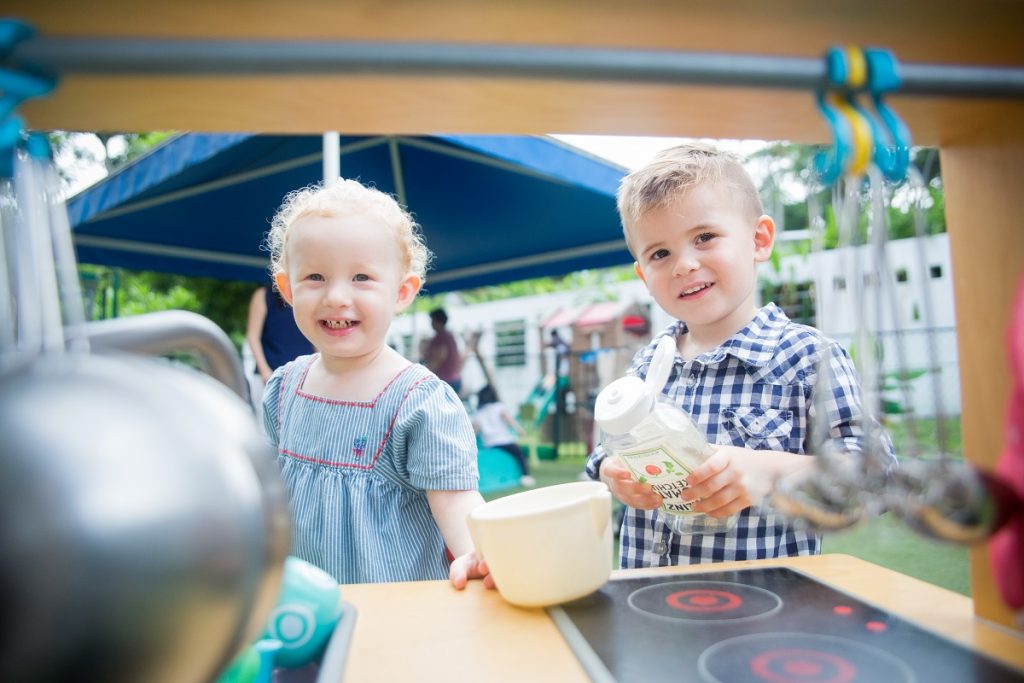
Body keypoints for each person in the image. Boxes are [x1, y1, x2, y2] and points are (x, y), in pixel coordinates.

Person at [585, 142, 894, 568]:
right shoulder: (648, 366)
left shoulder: (806, 357)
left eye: (704, 237)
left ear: (759, 239)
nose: (684, 265)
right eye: (660, 253)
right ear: (643, 273)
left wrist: (770, 471)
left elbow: (875, 475)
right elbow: (603, 454)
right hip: (647, 602)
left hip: (765, 609)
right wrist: (612, 473)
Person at [261, 178, 492, 591]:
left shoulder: (418, 402)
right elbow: (268, 489)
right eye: (315, 276)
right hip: (302, 612)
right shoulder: (283, 390)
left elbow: (455, 497)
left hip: (396, 614)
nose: (336, 296)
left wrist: (479, 550)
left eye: (361, 277)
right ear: (286, 289)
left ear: (402, 292)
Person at [245, 284, 314, 382]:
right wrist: (264, 371)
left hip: (304, 376)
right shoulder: (264, 295)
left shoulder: (310, 297)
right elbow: (253, 336)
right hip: (270, 374)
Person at [473, 384, 535, 487]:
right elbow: (508, 419)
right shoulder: (498, 407)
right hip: (505, 441)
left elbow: (476, 430)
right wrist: (520, 430)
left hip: (489, 443)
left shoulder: (479, 413)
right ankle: (526, 475)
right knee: (519, 453)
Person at [424, 307, 463, 395]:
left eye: (432, 320)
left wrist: (424, 374)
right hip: (454, 379)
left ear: (437, 321)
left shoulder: (441, 337)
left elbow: (440, 357)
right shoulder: (448, 336)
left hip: (446, 381)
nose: (431, 323)